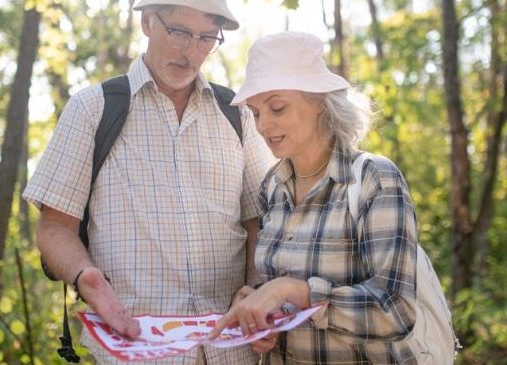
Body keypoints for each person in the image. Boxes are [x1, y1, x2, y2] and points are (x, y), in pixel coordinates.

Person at [22, 1, 274, 363]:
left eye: (205, 38)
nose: (191, 51)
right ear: (146, 22)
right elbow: (54, 226)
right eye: (179, 32)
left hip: (232, 351)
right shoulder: (93, 109)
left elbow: (258, 222)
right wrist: (84, 276)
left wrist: (255, 289)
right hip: (133, 350)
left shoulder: (237, 114)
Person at [209, 31, 456, 364]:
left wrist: (295, 291)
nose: (263, 125)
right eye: (255, 113)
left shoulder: (373, 178)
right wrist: (261, 311)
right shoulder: (271, 188)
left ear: (320, 102)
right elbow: (283, 307)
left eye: (277, 107)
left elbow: (395, 310)